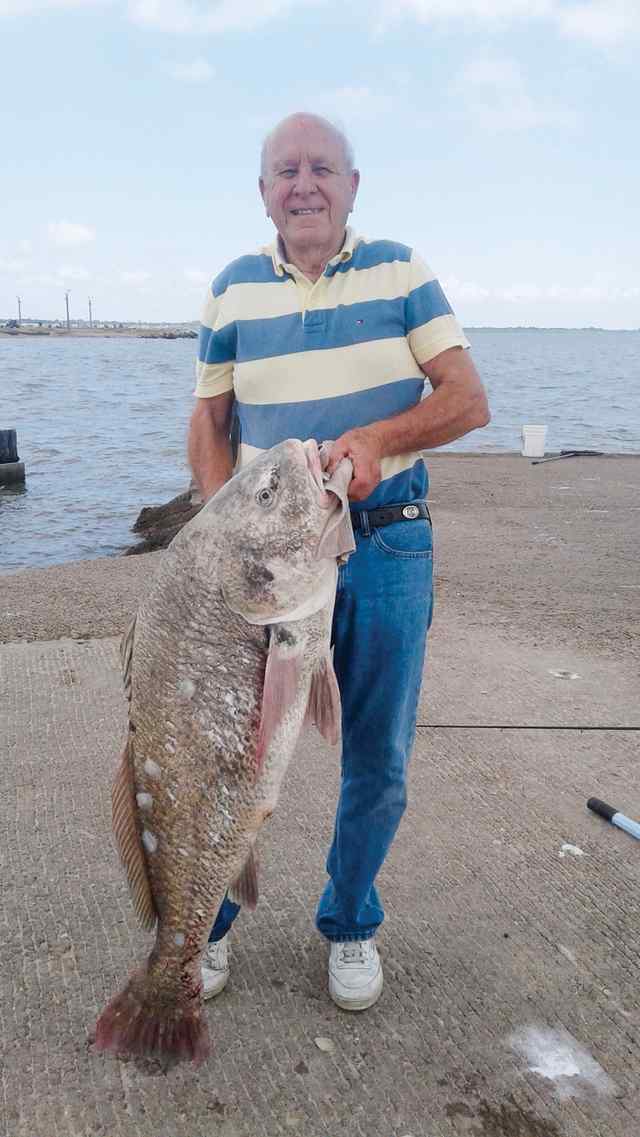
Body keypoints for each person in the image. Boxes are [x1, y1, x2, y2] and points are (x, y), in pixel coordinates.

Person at [188, 112, 490, 1011]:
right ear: (264, 193)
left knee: (378, 755)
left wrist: (376, 439)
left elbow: (467, 398)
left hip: (387, 536)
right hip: (259, 563)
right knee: (225, 749)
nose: (305, 184)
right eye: (287, 170)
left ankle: (351, 919)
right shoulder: (232, 289)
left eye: (323, 168)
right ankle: (205, 924)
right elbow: (210, 421)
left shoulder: (402, 269)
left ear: (354, 185)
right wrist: (214, 525)